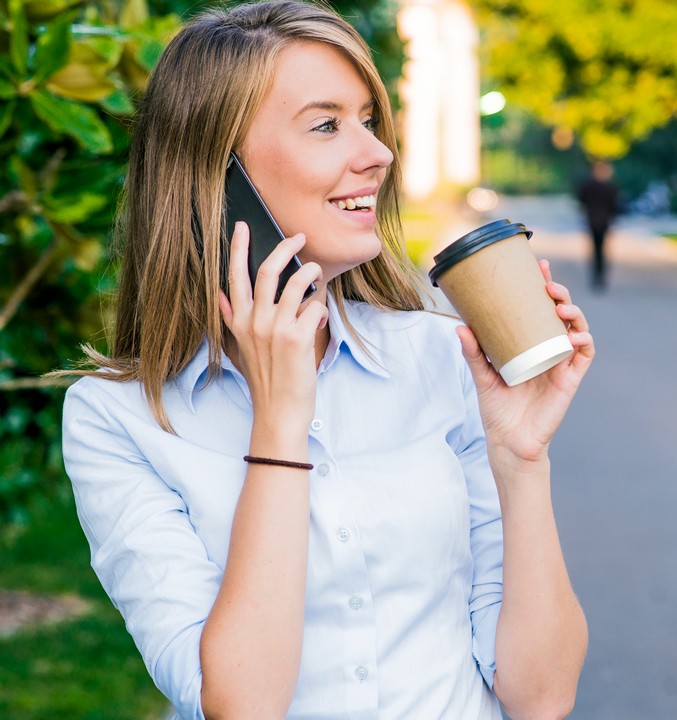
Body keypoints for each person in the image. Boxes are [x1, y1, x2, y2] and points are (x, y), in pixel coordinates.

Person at [59, 1, 593, 719]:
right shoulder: (116, 419)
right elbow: (240, 704)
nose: (378, 154)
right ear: (219, 180)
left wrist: (522, 461)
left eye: (369, 120)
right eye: (326, 124)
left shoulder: (440, 356)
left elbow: (542, 698)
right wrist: (280, 423)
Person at [576, 160, 620, 290]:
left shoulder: (589, 186)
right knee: (600, 249)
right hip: (603, 221)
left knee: (596, 249)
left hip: (593, 220)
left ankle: (597, 274)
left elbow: (581, 200)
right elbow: (614, 206)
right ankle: (600, 275)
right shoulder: (609, 187)